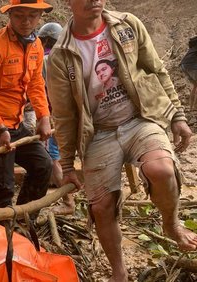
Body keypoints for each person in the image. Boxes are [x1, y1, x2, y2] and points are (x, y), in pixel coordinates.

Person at [47, 0, 197, 280]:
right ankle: (119, 272)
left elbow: (156, 69)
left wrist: (177, 115)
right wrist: (67, 165)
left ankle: (171, 223)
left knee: (162, 169)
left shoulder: (127, 25)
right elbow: (64, 115)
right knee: (101, 207)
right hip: (99, 132)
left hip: (140, 118)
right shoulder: (60, 56)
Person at [0, 0, 53, 211]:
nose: (26, 22)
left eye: (32, 16)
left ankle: (23, 222)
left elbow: (36, 84)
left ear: (40, 16)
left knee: (43, 165)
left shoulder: (36, 45)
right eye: (19, 16)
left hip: (16, 125)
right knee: (2, 190)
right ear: (10, 15)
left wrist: (44, 117)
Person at [35, 22, 74, 215]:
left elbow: (40, 90)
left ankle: (68, 202)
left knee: (54, 158)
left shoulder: (44, 60)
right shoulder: (70, 58)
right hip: (74, 118)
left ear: (46, 40)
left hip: (55, 117)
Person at [181, 36, 197, 110]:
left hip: (184, 64)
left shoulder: (194, 44)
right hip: (192, 65)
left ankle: (191, 108)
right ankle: (195, 108)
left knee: (195, 86)